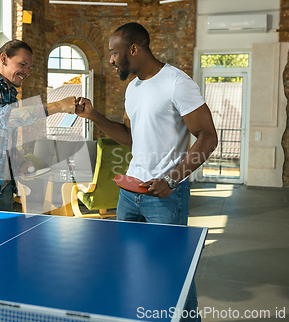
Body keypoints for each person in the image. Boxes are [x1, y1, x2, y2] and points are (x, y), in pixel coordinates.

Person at [76, 23, 218, 321]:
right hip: (130, 194)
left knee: (173, 269)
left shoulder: (176, 82)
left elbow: (207, 136)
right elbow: (130, 137)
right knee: (131, 264)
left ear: (134, 49)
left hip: (164, 195)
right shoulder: (133, 89)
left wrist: (172, 179)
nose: (111, 60)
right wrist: (94, 115)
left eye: (114, 53)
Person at [0, 39, 78, 211]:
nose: (26, 72)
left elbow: (4, 138)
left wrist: (20, 162)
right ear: (4, 59)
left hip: (1, 184)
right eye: (22, 65)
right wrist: (59, 106)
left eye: (29, 68)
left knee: (3, 236)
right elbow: (5, 118)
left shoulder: (10, 93)